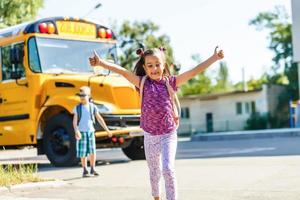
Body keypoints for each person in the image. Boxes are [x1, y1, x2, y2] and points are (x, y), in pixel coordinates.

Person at [89, 46, 224, 199]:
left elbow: (193, 71)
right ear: (145, 68)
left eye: (157, 64)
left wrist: (214, 58)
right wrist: (101, 63)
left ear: (163, 64)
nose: (154, 69)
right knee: (154, 172)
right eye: (150, 65)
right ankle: (156, 197)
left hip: (168, 134)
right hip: (150, 135)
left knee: (167, 169)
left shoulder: (171, 82)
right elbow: (122, 71)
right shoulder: (142, 83)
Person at [73, 86, 112, 177]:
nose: (82, 97)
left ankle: (92, 168)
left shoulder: (93, 107)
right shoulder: (77, 108)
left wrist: (107, 130)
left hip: (90, 132)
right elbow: (74, 121)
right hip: (81, 132)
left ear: (89, 96)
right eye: (80, 95)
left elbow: (99, 118)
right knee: (83, 152)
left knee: (92, 151)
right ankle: (85, 169)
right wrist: (76, 131)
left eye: (84, 95)